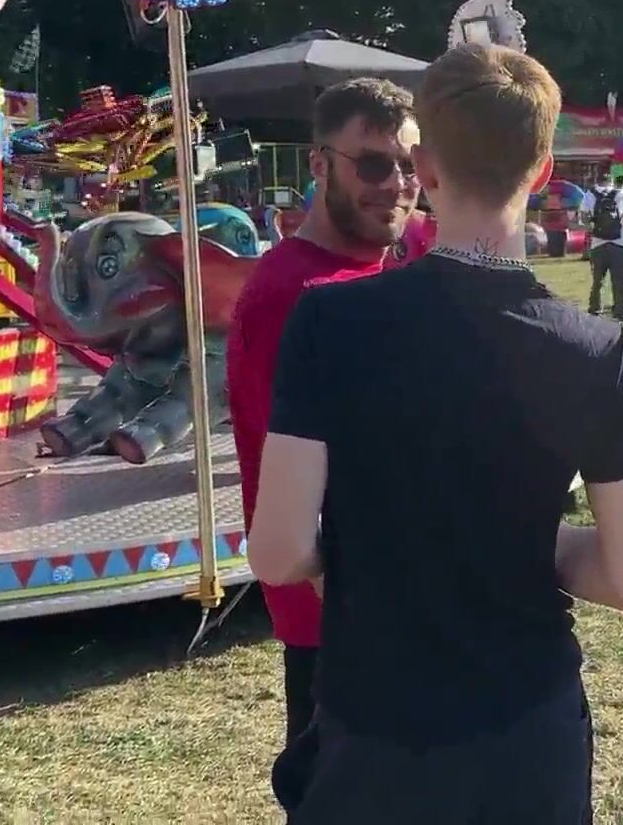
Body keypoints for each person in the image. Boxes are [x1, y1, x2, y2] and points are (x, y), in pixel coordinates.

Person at [249, 43, 623, 824]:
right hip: (527, 733)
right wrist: (520, 539)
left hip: (374, 730)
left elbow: (278, 551)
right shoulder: (601, 352)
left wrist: (378, 542)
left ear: (425, 166)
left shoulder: (330, 321)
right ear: (542, 172)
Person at [223, 78, 423, 787]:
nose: (396, 184)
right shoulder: (298, 294)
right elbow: (292, 481)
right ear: (318, 164)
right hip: (344, 624)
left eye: (410, 165)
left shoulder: (362, 271)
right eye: (372, 164)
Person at [582, 170, 623, 320]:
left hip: (598, 243)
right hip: (619, 242)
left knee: (597, 280)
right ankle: (619, 310)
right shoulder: (622, 193)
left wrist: (592, 229)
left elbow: (584, 217)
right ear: (611, 180)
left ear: (596, 179)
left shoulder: (589, 194)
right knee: (620, 279)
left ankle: (595, 308)